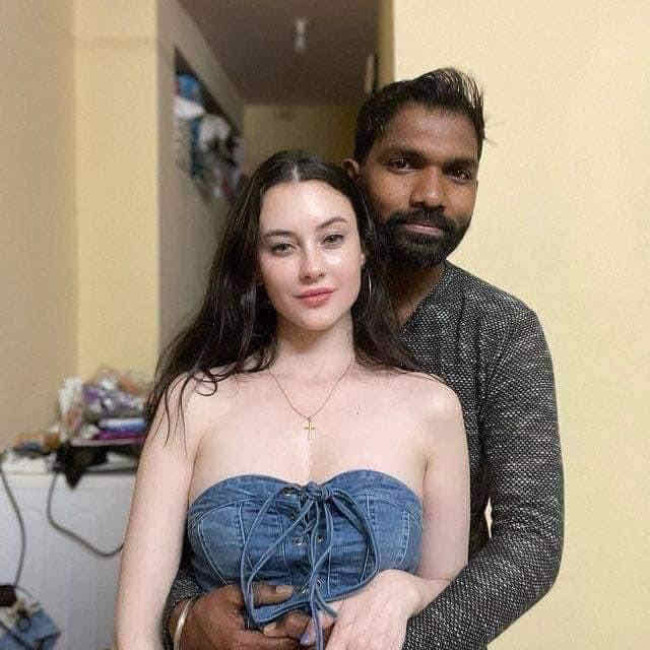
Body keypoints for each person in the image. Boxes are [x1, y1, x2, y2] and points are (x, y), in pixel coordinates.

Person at [164, 68, 563, 650]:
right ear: (354, 178)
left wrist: (390, 632)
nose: (431, 194)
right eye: (403, 163)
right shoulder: (268, 311)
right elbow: (187, 520)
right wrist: (185, 618)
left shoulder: (500, 330)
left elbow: (533, 540)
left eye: (458, 172)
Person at [115, 150, 471, 650]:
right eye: (282, 247)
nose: (311, 268)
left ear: (363, 249)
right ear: (255, 266)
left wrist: (405, 590)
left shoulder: (432, 407)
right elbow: (134, 634)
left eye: (332, 239)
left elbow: (453, 599)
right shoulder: (193, 402)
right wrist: (186, 621)